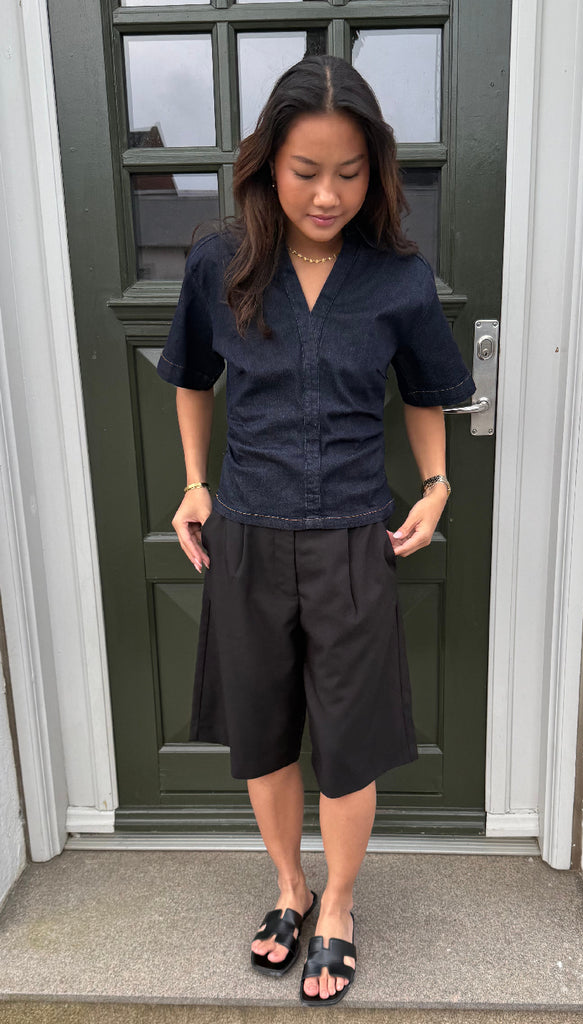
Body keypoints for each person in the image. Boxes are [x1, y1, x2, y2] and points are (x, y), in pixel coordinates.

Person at [156, 54, 476, 1006]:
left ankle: (337, 903)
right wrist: (193, 485)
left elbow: (425, 392)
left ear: (375, 171)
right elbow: (190, 378)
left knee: (348, 742)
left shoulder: (398, 279)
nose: (327, 194)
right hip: (246, 534)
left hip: (350, 537)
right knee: (262, 735)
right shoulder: (220, 262)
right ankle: (288, 888)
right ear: (268, 164)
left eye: (348, 172)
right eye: (305, 172)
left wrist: (436, 484)